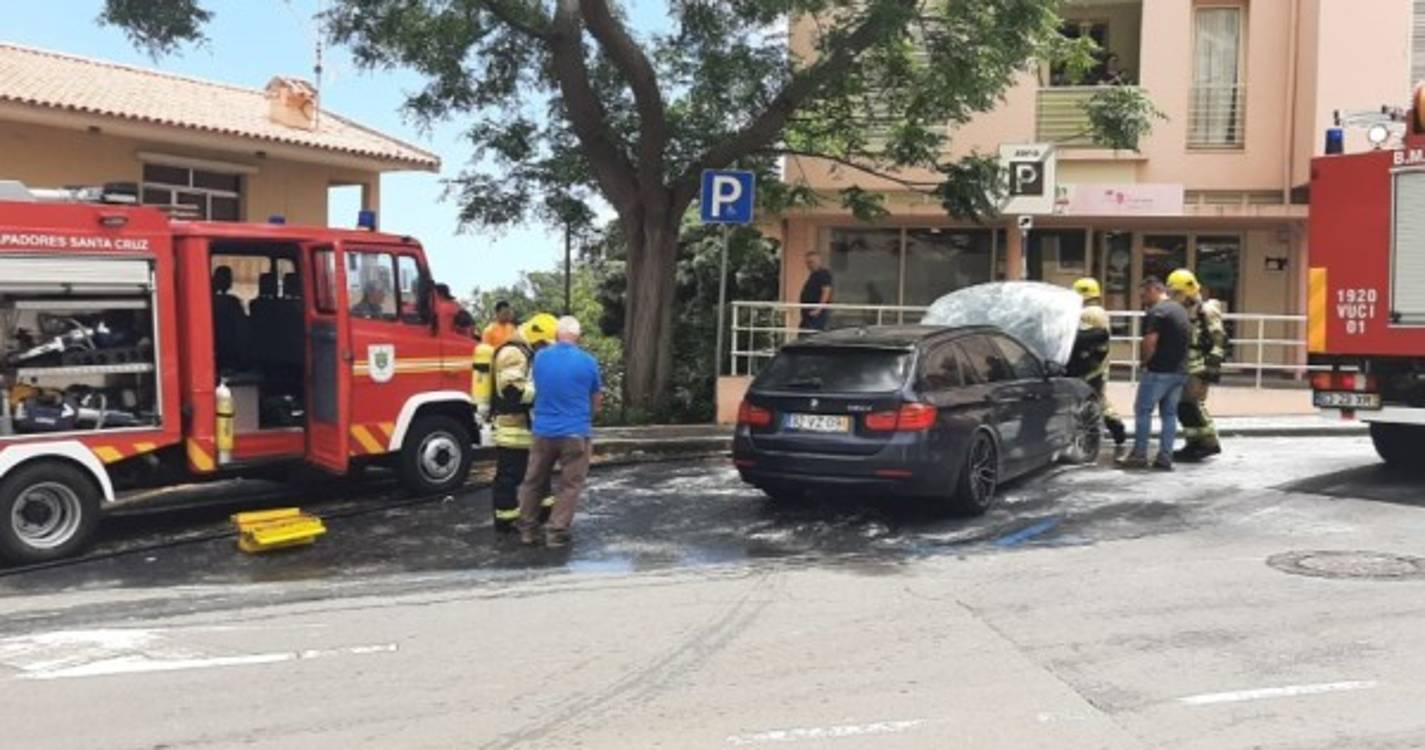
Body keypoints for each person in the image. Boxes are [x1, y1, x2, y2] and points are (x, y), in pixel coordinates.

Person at [517, 315, 603, 548]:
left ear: (556, 335)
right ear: (579, 337)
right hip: (575, 432)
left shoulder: (540, 358)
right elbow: (596, 401)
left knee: (533, 481)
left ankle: (527, 530)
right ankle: (556, 532)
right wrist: (585, 420)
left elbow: (537, 386)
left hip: (543, 431)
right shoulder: (589, 362)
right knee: (570, 484)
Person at [489, 312, 559, 533]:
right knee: (510, 476)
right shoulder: (513, 353)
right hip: (513, 428)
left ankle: (543, 512)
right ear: (537, 338)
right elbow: (512, 391)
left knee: (540, 471)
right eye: (545, 345)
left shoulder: (526, 352)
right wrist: (544, 392)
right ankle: (506, 519)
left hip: (527, 427)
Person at [1117, 276, 1191, 470]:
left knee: (1143, 410)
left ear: (1153, 290)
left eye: (1144, 295)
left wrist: (1144, 362)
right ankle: (1165, 457)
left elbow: (1150, 341)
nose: (1143, 300)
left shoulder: (1157, 312)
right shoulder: (1179, 310)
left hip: (1158, 371)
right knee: (1169, 414)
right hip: (1179, 371)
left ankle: (1139, 454)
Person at [1167, 269, 1227, 462]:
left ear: (1189, 290)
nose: (1174, 297)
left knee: (1193, 405)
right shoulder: (1184, 309)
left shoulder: (1206, 310)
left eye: (1177, 293)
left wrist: (1212, 366)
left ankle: (1208, 443)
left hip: (1200, 365)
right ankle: (1194, 443)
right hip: (1186, 364)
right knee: (1183, 406)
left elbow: (1219, 338)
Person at [1068, 277, 1128, 457]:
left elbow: (1081, 338)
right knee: (1099, 397)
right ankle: (1116, 426)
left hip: (1089, 363)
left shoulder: (1087, 313)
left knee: (1090, 398)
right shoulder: (1099, 311)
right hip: (1098, 362)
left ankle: (1093, 436)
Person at [798, 251, 833, 335]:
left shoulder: (823, 274)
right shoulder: (814, 275)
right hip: (808, 313)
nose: (809, 265)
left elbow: (826, 291)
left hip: (816, 314)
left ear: (819, 261)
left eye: (812, 262)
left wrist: (818, 309)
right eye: (807, 263)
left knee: (812, 335)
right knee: (804, 334)